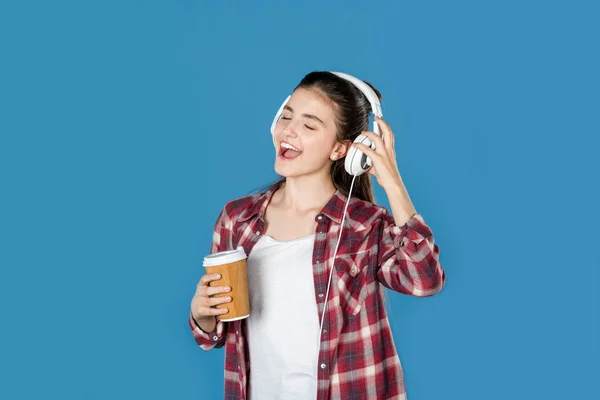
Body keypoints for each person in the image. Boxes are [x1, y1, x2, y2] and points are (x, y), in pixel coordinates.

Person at [188, 71, 446, 400]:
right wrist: (202, 315)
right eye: (286, 116)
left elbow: (424, 280)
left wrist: (391, 180)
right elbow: (215, 335)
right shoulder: (237, 219)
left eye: (309, 125)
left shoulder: (364, 225)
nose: (288, 131)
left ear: (342, 149)